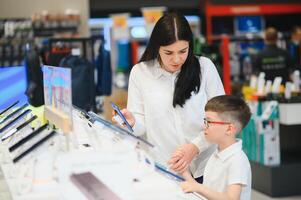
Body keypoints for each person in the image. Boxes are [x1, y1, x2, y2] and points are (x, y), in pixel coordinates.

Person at [113, 12, 224, 182]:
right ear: (157, 47)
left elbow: (221, 118)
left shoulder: (205, 68)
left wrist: (195, 147)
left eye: (183, 51)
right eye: (168, 52)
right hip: (165, 169)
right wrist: (132, 122)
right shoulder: (141, 73)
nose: (177, 59)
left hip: (206, 167)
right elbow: (141, 124)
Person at [180, 95, 252, 200]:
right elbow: (207, 192)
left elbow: (232, 198)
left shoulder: (237, 160)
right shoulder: (217, 154)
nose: (204, 126)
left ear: (229, 129)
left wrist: (199, 187)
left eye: (209, 122)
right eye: (205, 121)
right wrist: (184, 169)